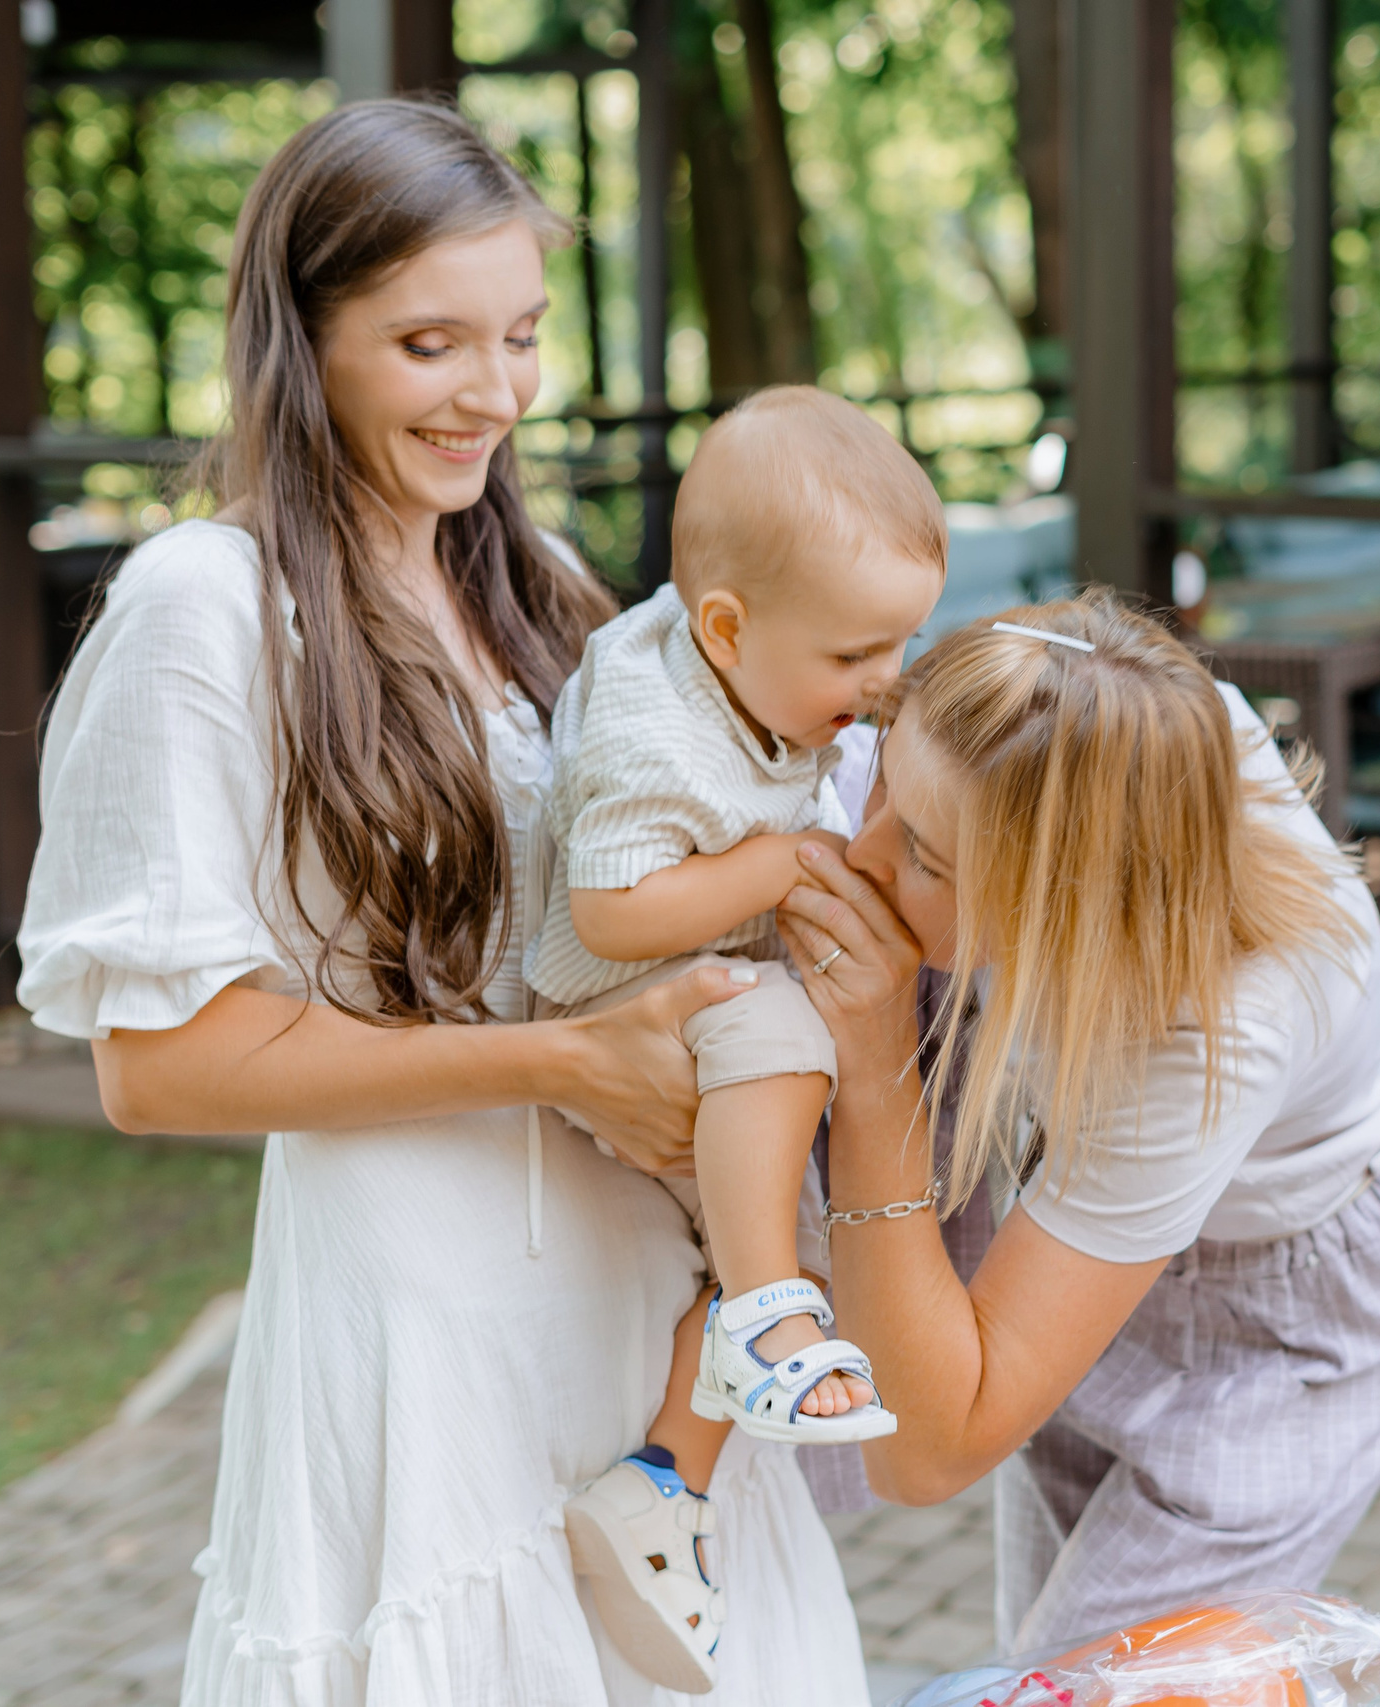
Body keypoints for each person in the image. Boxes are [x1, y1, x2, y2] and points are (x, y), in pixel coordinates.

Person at [14, 99, 869, 1706]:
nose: (493, 391)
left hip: (643, 1276)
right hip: (421, 1302)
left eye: (522, 336)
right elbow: (158, 1064)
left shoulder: (534, 576)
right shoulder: (206, 604)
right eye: (429, 343)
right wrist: (555, 1062)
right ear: (305, 335)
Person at [774, 593, 1380, 1650]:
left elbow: (925, 1453)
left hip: (1293, 1323)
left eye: (922, 857)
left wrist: (880, 1065)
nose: (861, 858)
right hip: (1111, 1237)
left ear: (1063, 906)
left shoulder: (1211, 1030)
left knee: (1073, 1683)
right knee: (1060, 1655)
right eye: (885, 774)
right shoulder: (1113, 731)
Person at [537, 386, 945, 1688]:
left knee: (795, 1212)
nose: (883, 684)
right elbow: (608, 907)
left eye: (903, 644)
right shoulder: (653, 730)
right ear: (725, 625)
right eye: (855, 656)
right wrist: (776, 862)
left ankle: (666, 1477)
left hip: (698, 976)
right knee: (780, 1038)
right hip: (614, 990)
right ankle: (761, 1317)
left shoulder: (751, 659)